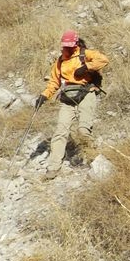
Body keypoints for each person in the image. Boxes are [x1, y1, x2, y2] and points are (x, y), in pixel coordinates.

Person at [34, 30, 109, 180]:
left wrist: (87, 67)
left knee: (83, 130)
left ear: (75, 44)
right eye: (64, 46)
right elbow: (54, 82)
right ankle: (53, 167)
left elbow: (104, 59)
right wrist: (44, 95)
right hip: (68, 97)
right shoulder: (60, 61)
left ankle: (93, 157)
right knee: (60, 131)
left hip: (86, 93)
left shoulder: (84, 54)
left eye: (69, 46)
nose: (66, 48)